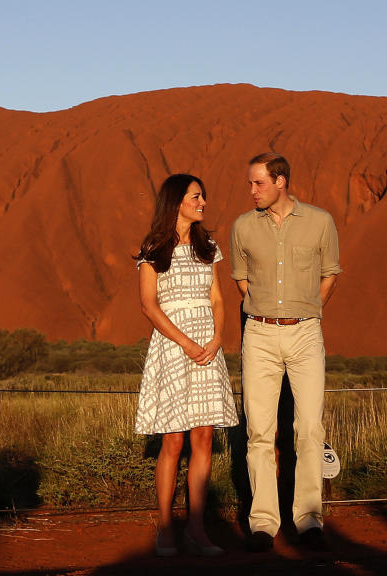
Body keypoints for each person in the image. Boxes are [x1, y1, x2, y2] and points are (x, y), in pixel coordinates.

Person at [230, 152, 341, 552]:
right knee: (259, 430)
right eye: (250, 182)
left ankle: (309, 520)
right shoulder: (243, 226)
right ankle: (263, 524)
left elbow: (330, 273)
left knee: (309, 427)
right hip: (259, 334)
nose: (252, 190)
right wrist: (267, 313)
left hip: (306, 333)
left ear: (281, 181)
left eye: (258, 182)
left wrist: (307, 309)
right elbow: (242, 281)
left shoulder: (320, 221)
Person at [134, 173, 239, 557]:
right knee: (173, 440)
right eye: (197, 196)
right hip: (173, 347)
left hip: (207, 350)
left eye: (203, 197)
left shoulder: (207, 246)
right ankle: (165, 528)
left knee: (204, 438)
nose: (203, 203)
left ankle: (197, 527)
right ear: (177, 201)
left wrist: (215, 340)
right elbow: (149, 305)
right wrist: (186, 342)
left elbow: (217, 299)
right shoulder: (154, 247)